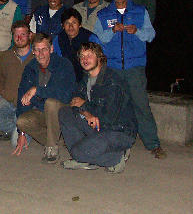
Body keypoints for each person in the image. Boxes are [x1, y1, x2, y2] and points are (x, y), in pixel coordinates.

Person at [92, 0, 166, 159]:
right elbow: (97, 39)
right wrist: (113, 31)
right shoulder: (104, 14)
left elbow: (151, 35)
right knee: (114, 106)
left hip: (135, 67)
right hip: (113, 68)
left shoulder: (140, 11)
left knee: (141, 105)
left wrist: (137, 31)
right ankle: (113, 143)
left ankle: (153, 144)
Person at [59, 42, 137, 173]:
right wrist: (86, 112)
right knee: (65, 112)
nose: (84, 60)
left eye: (89, 55)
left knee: (77, 152)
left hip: (117, 131)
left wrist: (84, 105)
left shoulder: (112, 82)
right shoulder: (86, 78)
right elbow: (74, 101)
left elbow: (109, 118)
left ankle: (116, 157)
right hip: (98, 125)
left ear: (100, 58)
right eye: (82, 56)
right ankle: (86, 155)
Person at [14, 33, 76, 163]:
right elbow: (22, 97)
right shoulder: (30, 68)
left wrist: (38, 90)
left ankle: (52, 148)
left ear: (51, 49)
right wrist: (22, 133)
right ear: (33, 51)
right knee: (22, 121)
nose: (40, 54)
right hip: (42, 111)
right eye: (36, 50)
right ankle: (58, 138)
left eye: (44, 49)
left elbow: (65, 96)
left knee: (51, 103)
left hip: (63, 111)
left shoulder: (64, 65)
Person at [0, 21, 34, 145]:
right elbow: (1, 77)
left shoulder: (37, 56)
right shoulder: (6, 56)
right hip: (8, 99)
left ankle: (25, 128)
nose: (19, 38)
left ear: (30, 35)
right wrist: (3, 92)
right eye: (16, 35)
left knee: (15, 144)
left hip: (27, 104)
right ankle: (13, 128)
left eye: (23, 34)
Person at [52, 8, 93, 82]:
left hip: (87, 78)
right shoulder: (58, 39)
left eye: (74, 23)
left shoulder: (90, 38)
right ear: (62, 26)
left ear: (80, 24)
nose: (70, 26)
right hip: (65, 78)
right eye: (67, 23)